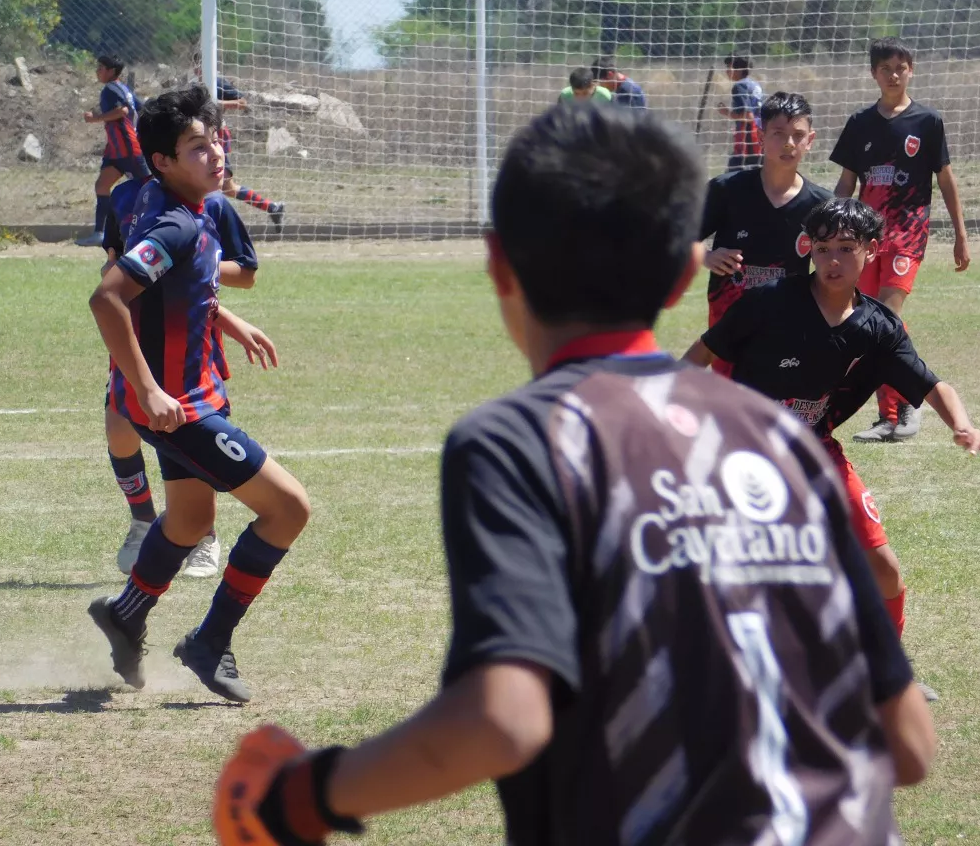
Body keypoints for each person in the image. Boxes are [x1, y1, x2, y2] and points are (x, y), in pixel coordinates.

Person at [213, 104, 936, 846]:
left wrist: (304, 795)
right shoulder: (782, 439)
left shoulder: (520, 441)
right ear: (688, 270)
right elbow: (909, 745)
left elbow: (502, 719)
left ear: (500, 264)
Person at [684, 197, 980, 665]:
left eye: (846, 248)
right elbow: (702, 353)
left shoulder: (878, 328)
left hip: (815, 453)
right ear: (809, 250)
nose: (833, 260)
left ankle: (886, 669)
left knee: (884, 568)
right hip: (745, 455)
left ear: (871, 250)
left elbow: (931, 384)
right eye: (823, 248)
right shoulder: (768, 303)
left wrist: (963, 425)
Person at [87, 84, 310, 703]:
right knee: (288, 509)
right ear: (162, 160)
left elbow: (182, 286)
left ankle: (127, 612)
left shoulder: (180, 205)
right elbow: (108, 298)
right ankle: (210, 640)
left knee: (189, 520)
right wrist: (151, 390)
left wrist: (227, 320)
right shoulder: (175, 222)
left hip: (192, 392)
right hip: (179, 406)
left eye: (214, 142)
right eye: (195, 148)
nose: (214, 156)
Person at [102, 175, 260, 579]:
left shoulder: (214, 205)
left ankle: (204, 535)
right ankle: (141, 522)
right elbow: (115, 269)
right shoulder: (123, 196)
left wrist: (195, 264)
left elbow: (244, 272)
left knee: (185, 435)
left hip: (188, 342)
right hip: (135, 336)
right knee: (119, 427)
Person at [830, 36, 971, 443]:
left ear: (912, 70)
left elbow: (946, 179)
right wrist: (830, 228)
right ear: (873, 74)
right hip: (865, 238)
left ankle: (908, 406)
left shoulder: (927, 122)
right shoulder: (860, 123)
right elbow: (846, 181)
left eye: (900, 67)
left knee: (886, 316)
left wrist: (961, 235)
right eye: (885, 68)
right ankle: (888, 416)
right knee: (871, 320)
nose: (893, 74)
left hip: (908, 234)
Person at [699, 91, 832, 377]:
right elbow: (673, 236)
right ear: (760, 137)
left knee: (771, 402)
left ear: (810, 140)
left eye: (798, 135)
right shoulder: (727, 190)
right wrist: (705, 255)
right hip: (728, 315)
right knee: (729, 399)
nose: (788, 143)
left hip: (787, 318)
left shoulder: (822, 205)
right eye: (778, 133)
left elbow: (836, 262)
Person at [78, 54, 150, 248]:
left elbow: (122, 111)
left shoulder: (110, 89)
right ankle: (100, 233)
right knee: (102, 185)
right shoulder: (124, 89)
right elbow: (142, 108)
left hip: (127, 148)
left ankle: (155, 227)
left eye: (100, 68)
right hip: (115, 151)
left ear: (111, 71)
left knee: (149, 188)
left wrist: (95, 118)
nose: (97, 71)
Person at [208, 71, 286, 228]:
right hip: (203, 136)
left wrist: (219, 104)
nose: (197, 68)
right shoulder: (194, 83)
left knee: (221, 186)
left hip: (219, 137)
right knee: (224, 187)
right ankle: (272, 207)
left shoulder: (217, 82)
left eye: (200, 63)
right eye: (196, 64)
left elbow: (242, 102)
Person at [717, 53, 763, 171]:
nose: (727, 71)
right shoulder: (754, 85)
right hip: (759, 135)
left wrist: (726, 112)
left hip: (747, 137)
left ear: (739, 69)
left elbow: (748, 116)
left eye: (729, 67)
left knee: (734, 173)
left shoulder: (739, 86)